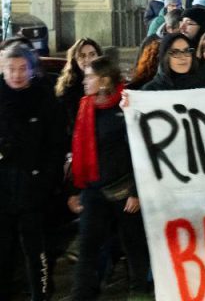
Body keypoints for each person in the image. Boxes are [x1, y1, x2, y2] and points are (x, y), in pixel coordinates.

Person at [68, 56, 151, 298]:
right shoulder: (85, 107)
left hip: (124, 191)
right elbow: (78, 151)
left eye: (89, 77)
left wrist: (136, 191)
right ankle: (82, 295)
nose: (84, 81)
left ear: (104, 80)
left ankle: (139, 292)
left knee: (134, 246)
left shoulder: (126, 106)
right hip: (93, 190)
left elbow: (140, 150)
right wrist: (75, 190)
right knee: (87, 247)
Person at [0, 44, 66, 301]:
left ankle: (41, 293)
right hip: (4, 188)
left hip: (33, 189)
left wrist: (45, 181)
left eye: (22, 68)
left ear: (31, 69)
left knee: (36, 249)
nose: (17, 75)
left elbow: (56, 145)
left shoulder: (45, 100)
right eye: (11, 69)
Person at [55, 38, 102, 133]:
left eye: (92, 54)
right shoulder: (68, 87)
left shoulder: (108, 81)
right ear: (75, 60)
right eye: (82, 56)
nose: (88, 60)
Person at [141, 33, 205, 91]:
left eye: (187, 51)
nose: (183, 57)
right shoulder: (150, 91)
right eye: (175, 52)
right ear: (164, 57)